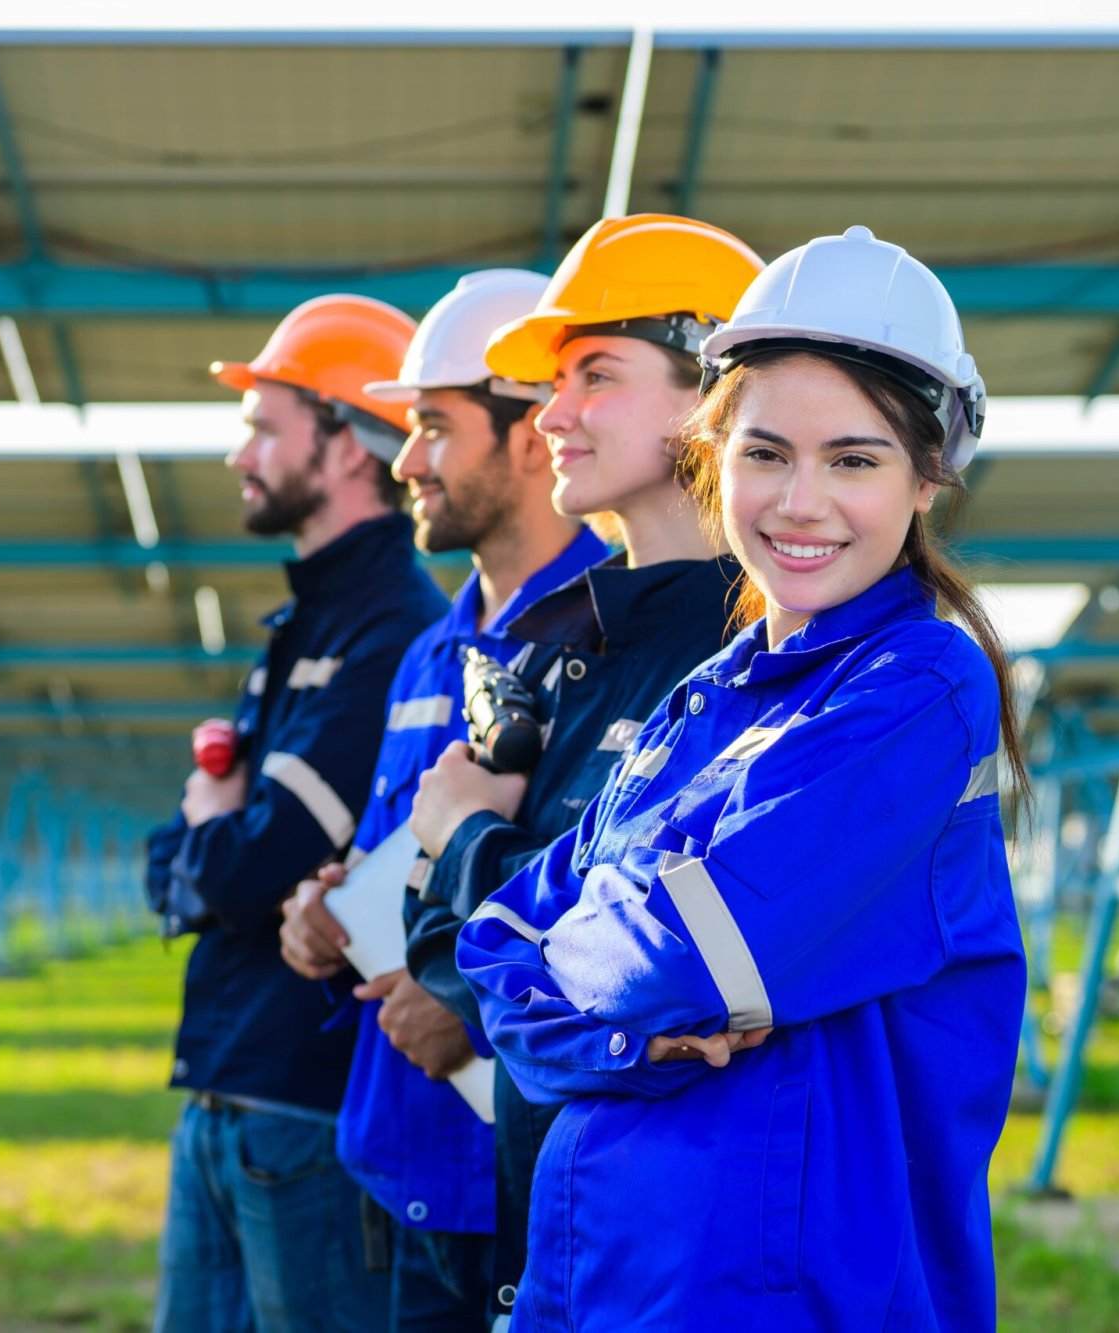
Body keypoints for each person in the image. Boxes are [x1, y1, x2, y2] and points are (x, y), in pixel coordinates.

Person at [456, 226, 1030, 1330]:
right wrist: (613, 1008)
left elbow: (697, 950)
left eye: (852, 460)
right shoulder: (702, 697)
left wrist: (594, 950)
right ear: (714, 454)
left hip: (788, 1294)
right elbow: (493, 954)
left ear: (927, 477)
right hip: (597, 1277)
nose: (798, 501)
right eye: (764, 453)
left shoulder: (917, 685)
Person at [397, 214, 763, 1326]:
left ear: (711, 393)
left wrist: (468, 839)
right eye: (553, 386)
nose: (550, 416)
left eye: (593, 377)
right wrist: (505, 892)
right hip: (550, 1237)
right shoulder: (559, 646)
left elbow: (653, 973)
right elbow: (451, 961)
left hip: (681, 1256)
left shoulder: (760, 656)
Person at [275, 269, 612, 1331]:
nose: (405, 459)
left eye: (430, 426)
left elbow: (613, 900)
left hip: (518, 1167)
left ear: (528, 431)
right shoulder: (429, 648)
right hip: (399, 1149)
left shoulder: (618, 633)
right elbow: (406, 865)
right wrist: (336, 913)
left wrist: (463, 1008)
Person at [144, 294, 449, 1333]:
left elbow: (245, 864)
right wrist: (209, 842)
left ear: (347, 445)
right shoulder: (305, 627)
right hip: (229, 1089)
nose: (240, 455)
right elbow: (208, 860)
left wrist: (206, 840)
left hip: (308, 1104)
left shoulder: (396, 631)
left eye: (264, 426)